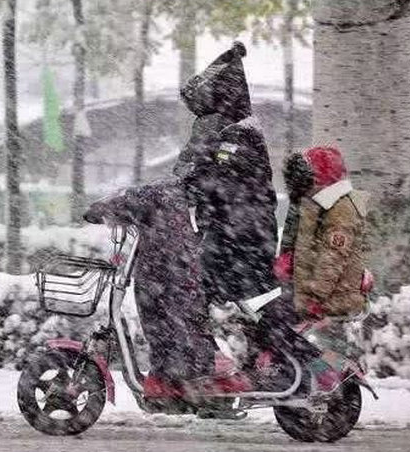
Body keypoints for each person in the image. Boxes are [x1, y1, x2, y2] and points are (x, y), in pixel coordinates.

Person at [173, 42, 278, 395]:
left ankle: (214, 363)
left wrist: (187, 182)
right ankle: (228, 362)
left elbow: (210, 177)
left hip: (241, 238)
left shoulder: (238, 135)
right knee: (215, 297)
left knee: (192, 289)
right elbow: (191, 168)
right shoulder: (225, 130)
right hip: (230, 234)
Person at [83, 179, 217, 397]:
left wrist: (100, 210)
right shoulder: (169, 197)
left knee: (160, 323)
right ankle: (172, 380)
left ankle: (171, 382)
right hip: (171, 270)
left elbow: (126, 201)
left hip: (164, 272)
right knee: (169, 326)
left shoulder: (156, 194)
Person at [274, 146, 370, 392]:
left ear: (321, 176)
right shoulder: (320, 205)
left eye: (309, 176)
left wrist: (315, 296)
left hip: (331, 295)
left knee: (271, 323)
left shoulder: (339, 210)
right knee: (262, 318)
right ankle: (281, 370)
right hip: (318, 290)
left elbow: (332, 259)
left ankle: (327, 368)